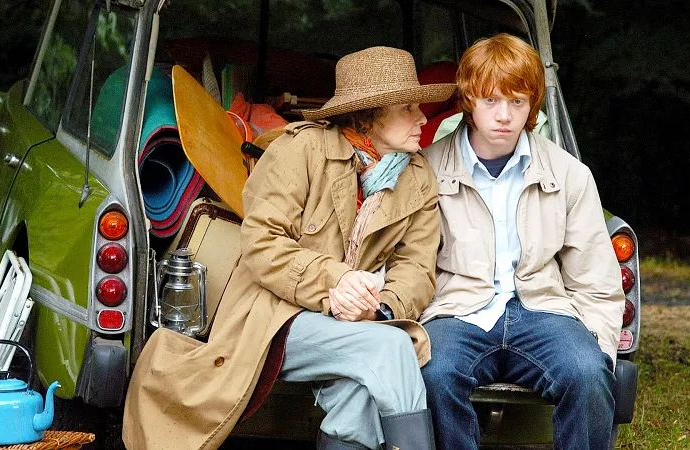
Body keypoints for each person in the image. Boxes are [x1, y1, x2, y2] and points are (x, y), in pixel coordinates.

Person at [123, 46, 455, 450]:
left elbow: (417, 268)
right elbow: (262, 242)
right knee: (392, 347)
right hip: (273, 312)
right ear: (367, 115)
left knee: (360, 392)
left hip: (357, 319)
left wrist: (380, 308)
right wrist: (337, 283)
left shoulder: (417, 176)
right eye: (407, 107)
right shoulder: (300, 149)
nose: (422, 117)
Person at [420, 33, 625, 450]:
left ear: (533, 104)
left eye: (517, 101)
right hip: (456, 310)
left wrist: (598, 347)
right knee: (433, 375)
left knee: (587, 373)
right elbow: (407, 263)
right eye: (491, 100)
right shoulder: (425, 170)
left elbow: (596, 278)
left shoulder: (569, 173)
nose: (504, 115)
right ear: (468, 100)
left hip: (542, 310)